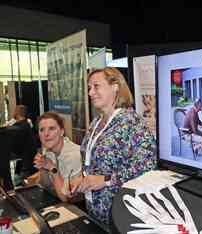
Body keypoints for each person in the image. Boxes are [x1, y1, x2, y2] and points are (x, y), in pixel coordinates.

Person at [73, 67, 157, 225]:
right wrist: (83, 179)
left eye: (96, 86)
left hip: (121, 212)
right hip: (95, 209)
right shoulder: (96, 122)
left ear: (115, 86)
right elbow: (93, 163)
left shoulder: (131, 122)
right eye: (89, 88)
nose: (90, 93)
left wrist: (106, 180)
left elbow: (148, 166)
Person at [33, 112, 82, 202]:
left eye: (51, 129)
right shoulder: (49, 152)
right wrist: (42, 167)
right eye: (42, 130)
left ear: (62, 132)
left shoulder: (74, 155)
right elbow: (45, 185)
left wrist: (52, 168)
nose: (46, 134)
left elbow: (66, 198)